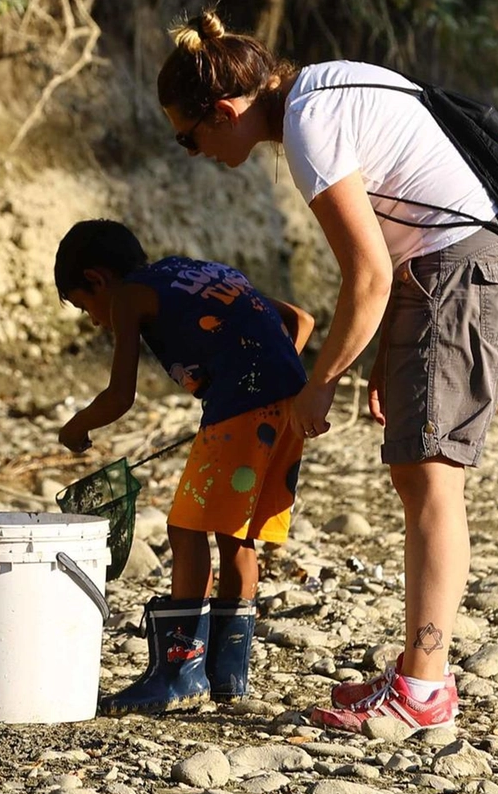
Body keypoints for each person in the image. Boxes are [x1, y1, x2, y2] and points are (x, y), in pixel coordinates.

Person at [157, 12, 498, 734]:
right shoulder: (327, 84)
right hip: (447, 271)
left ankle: (425, 691)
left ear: (223, 112)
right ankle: (416, 672)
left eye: (190, 138)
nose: (195, 153)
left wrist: (323, 379)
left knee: (434, 474)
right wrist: (380, 353)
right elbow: (404, 223)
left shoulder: (309, 124)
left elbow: (366, 274)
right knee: (416, 472)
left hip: (465, 273)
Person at [54, 219, 312, 714]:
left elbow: (119, 396)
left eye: (87, 307)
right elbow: (299, 319)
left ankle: (177, 674)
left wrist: (76, 428)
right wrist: (267, 377)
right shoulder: (194, 270)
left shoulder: (129, 296)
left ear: (99, 279)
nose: (94, 322)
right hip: (287, 411)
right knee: (236, 535)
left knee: (184, 528)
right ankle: (226, 678)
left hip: (240, 414)